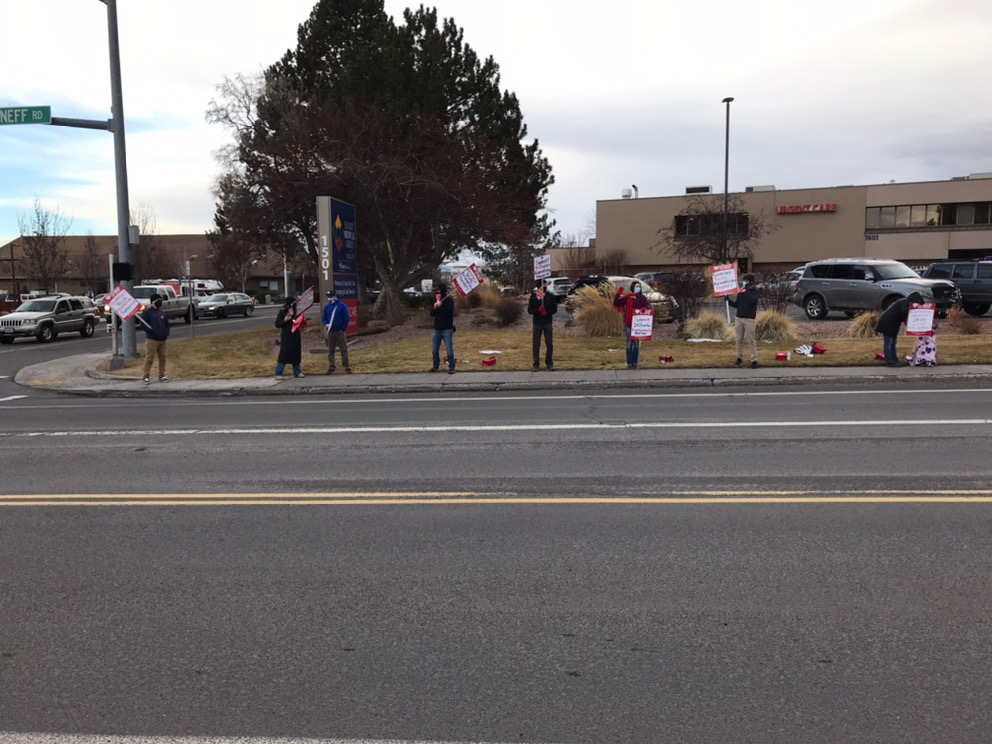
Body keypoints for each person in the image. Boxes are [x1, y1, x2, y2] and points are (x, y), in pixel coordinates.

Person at [874, 291, 924, 367]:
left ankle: (895, 360)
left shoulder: (904, 302)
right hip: (887, 324)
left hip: (892, 325)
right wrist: (913, 311)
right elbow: (904, 311)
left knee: (893, 343)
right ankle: (890, 361)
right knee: (889, 343)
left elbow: (905, 317)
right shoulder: (904, 302)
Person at [613, 280, 652, 369]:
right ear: (632, 287)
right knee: (630, 343)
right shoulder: (628, 298)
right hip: (628, 323)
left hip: (638, 324)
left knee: (637, 344)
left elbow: (647, 307)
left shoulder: (643, 298)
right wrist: (618, 295)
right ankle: (629, 362)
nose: (638, 288)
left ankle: (635, 361)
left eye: (639, 286)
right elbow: (617, 303)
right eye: (636, 286)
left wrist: (644, 309)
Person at [726, 273, 761, 368]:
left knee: (751, 340)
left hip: (750, 319)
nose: (744, 283)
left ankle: (754, 359)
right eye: (744, 281)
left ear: (751, 282)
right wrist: (728, 301)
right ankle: (739, 357)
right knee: (739, 340)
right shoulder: (741, 292)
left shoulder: (755, 291)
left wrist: (747, 291)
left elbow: (753, 301)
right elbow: (737, 304)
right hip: (739, 318)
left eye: (746, 281)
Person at [137, 293, 170, 385]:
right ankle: (146, 376)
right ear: (153, 301)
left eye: (160, 300)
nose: (160, 302)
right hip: (152, 339)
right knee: (149, 358)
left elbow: (167, 325)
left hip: (162, 339)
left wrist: (166, 333)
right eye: (158, 300)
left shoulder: (162, 313)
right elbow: (143, 325)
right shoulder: (147, 313)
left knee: (163, 358)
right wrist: (152, 332)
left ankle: (162, 375)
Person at [528, 279, 558, 371]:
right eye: (542, 284)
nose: (544, 286)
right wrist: (538, 310)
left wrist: (547, 312)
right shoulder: (533, 297)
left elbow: (554, 309)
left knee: (549, 343)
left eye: (545, 284)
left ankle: (549, 362)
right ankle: (536, 363)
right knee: (536, 344)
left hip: (547, 323)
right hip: (537, 323)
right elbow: (529, 310)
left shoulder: (550, 296)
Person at [274, 295, 305, 379]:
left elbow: (300, 322)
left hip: (296, 336)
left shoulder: (297, 312)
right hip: (287, 336)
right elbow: (277, 324)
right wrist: (285, 320)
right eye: (293, 303)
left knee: (296, 354)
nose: (294, 304)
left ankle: (297, 372)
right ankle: (278, 373)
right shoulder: (283, 312)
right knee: (284, 354)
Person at [322, 289, 351, 374]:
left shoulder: (341, 306)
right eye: (328, 297)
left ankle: (346, 366)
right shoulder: (327, 307)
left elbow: (346, 317)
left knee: (343, 349)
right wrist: (326, 324)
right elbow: (324, 318)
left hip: (339, 331)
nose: (329, 298)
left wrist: (343, 328)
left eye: (330, 296)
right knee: (331, 349)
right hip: (331, 331)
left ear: (334, 296)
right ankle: (331, 366)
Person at [429, 282, 456, 374]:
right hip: (437, 329)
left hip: (447, 329)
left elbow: (449, 314)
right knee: (435, 349)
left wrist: (440, 307)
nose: (437, 292)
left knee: (449, 349)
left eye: (439, 290)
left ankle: (451, 367)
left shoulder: (449, 301)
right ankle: (435, 366)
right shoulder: (437, 300)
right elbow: (432, 314)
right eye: (436, 290)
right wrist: (435, 307)